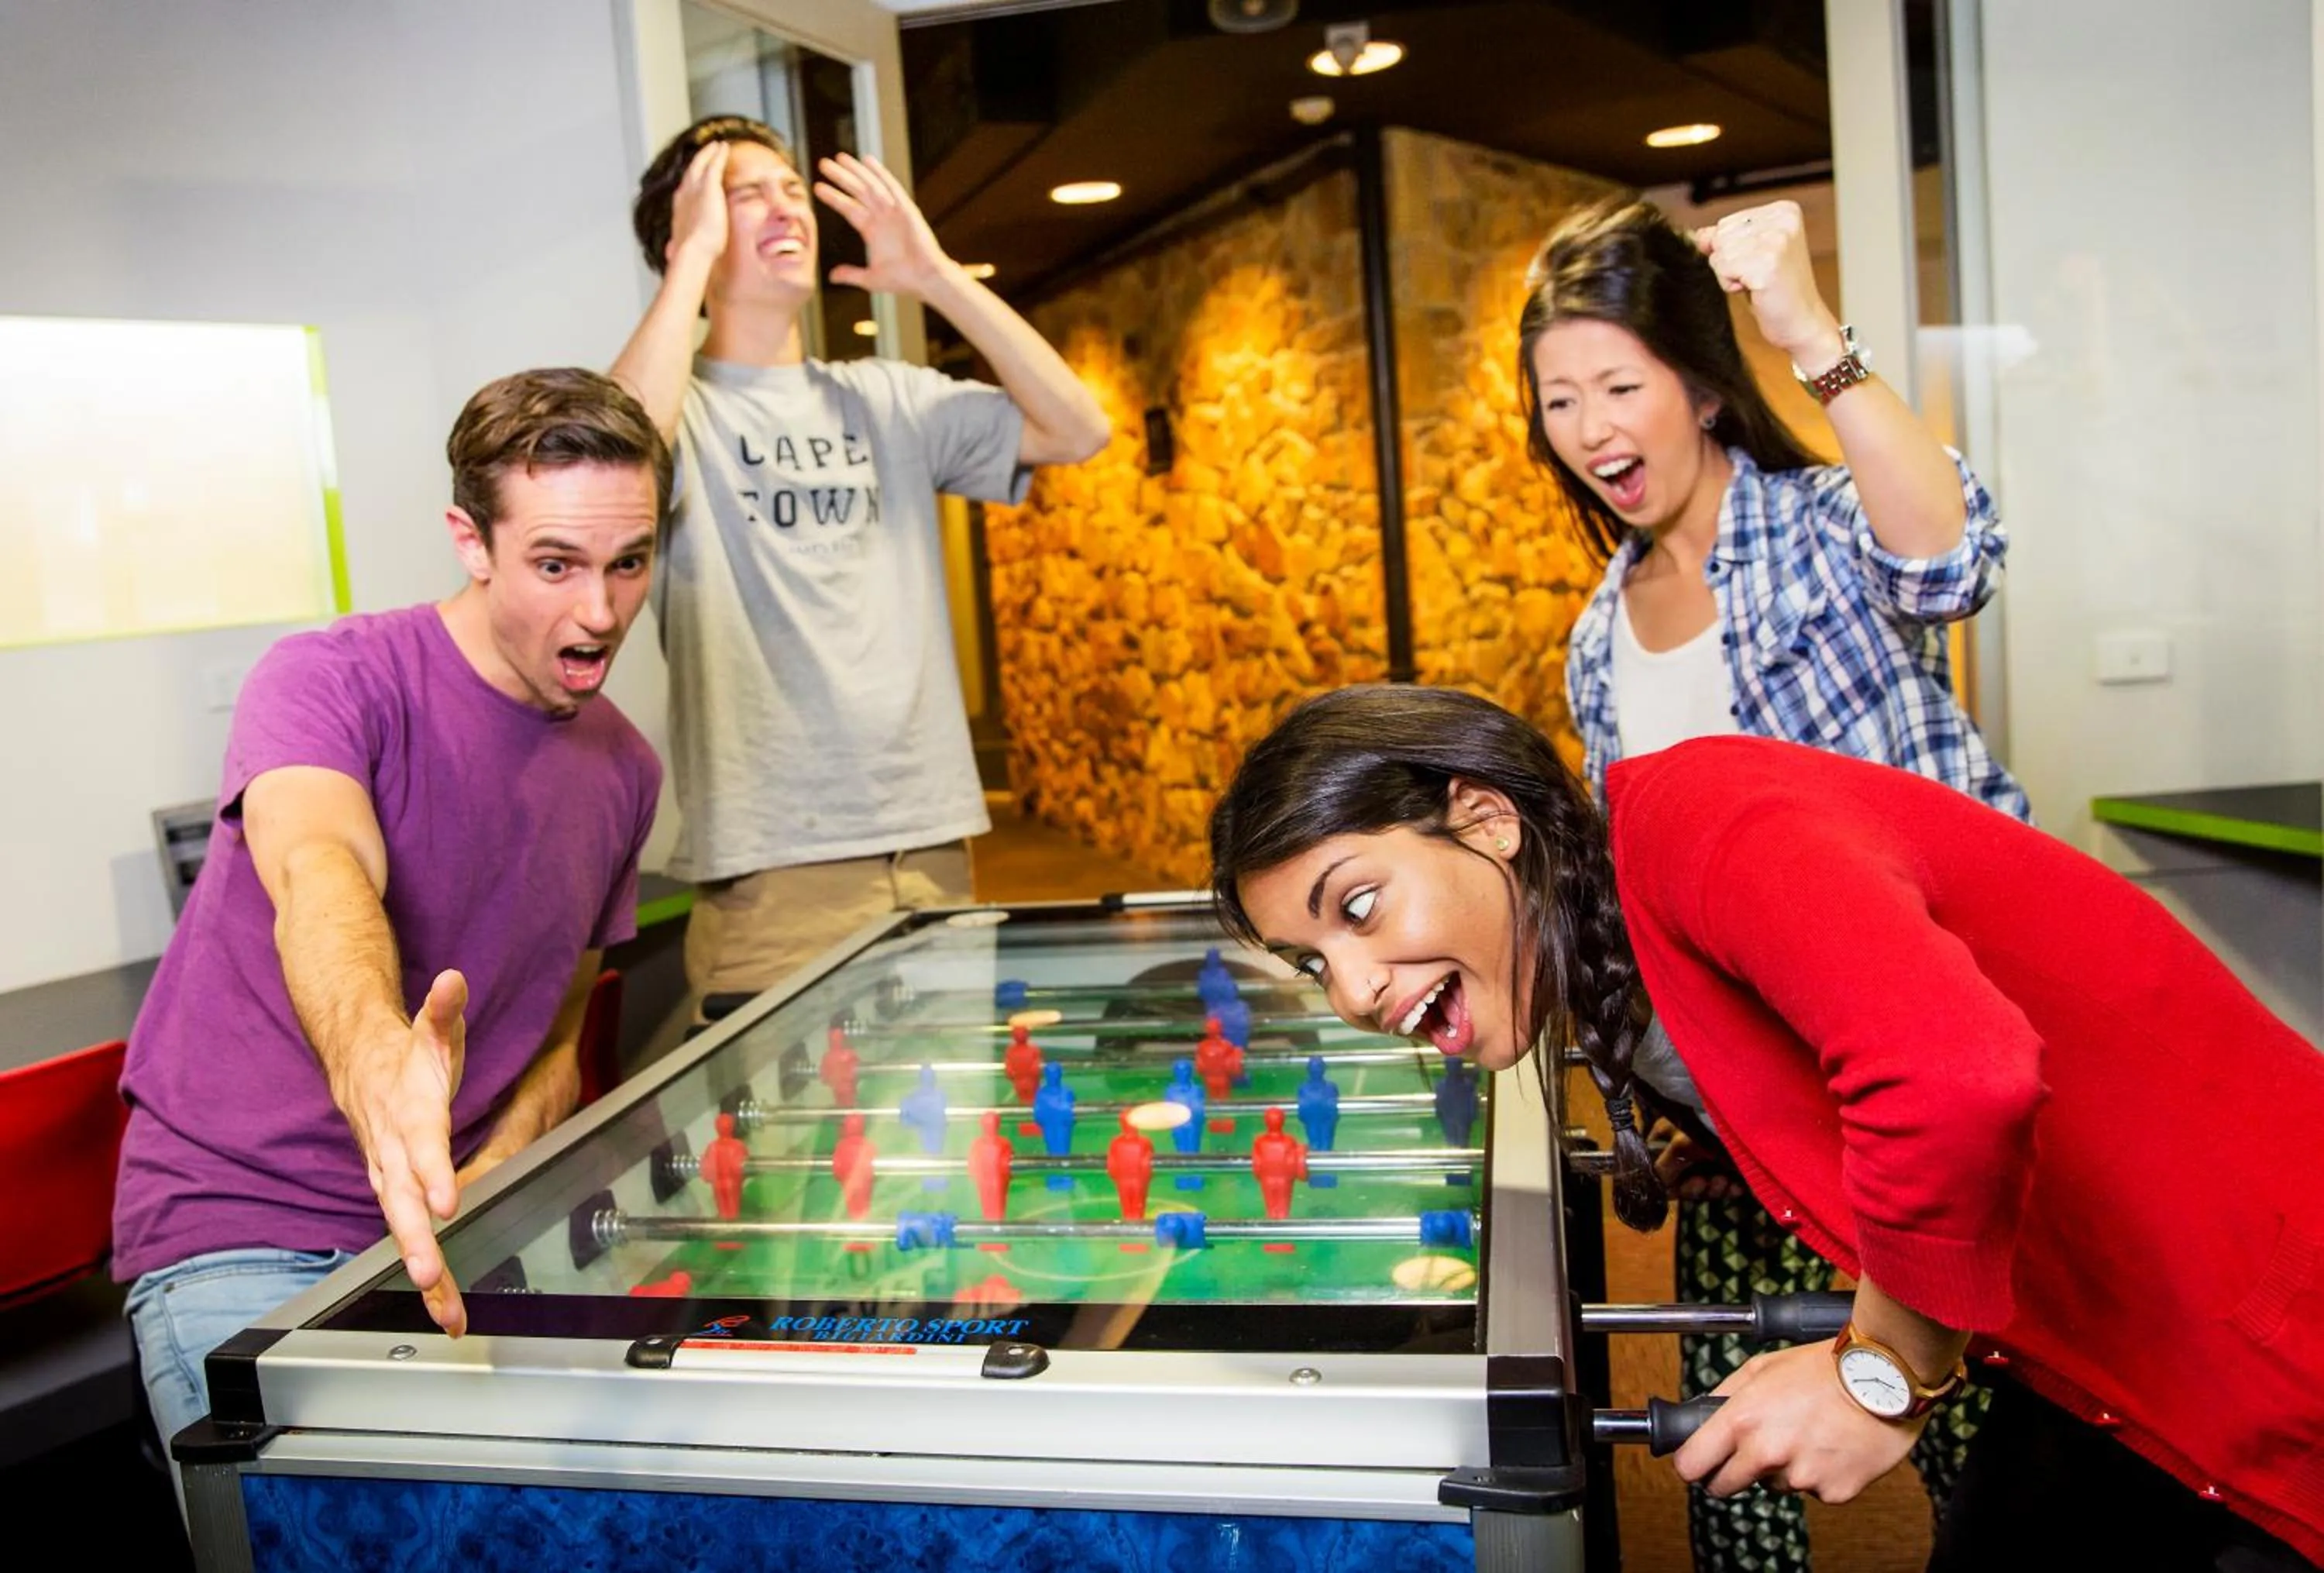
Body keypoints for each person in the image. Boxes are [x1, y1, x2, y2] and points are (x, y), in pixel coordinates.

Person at [1210, 684, 2324, 1572]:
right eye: (1313, 961)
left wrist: (1877, 1369)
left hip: (2258, 1316)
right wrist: (1753, 1142)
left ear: (1487, 819)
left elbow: (1956, 1075)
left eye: (1358, 906)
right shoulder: (1614, 944)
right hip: (2111, 1344)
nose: (1350, 985)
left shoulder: (1704, 810)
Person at [1521, 194, 2029, 1564]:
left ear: (1695, 381)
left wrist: (1809, 331)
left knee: (1993, 1444)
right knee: (1735, 1442)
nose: (1594, 429)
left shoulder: (1813, 525)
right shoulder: (1594, 637)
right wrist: (1674, 1101)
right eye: (1560, 400)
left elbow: (1950, 561)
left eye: (1619, 385)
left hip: (1925, 1080)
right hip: (1757, 1109)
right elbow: (1656, 898)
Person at [113, 369, 668, 1479]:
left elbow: (556, 1034)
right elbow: (320, 866)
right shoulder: (330, 678)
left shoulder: (626, 768)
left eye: (630, 563)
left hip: (458, 1233)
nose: (601, 612)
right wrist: (377, 1058)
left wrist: (496, 1176)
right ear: (470, 538)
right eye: (555, 564)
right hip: (245, 1221)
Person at [611, 115, 1108, 1019]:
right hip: (772, 874)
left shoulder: (888, 396)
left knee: (948, 1147)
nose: (783, 203)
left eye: (792, 186)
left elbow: (1079, 428)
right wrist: (689, 263)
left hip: (930, 851)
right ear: (687, 230)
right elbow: (610, 468)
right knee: (795, 1161)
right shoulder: (688, 416)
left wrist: (935, 278)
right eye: (744, 192)